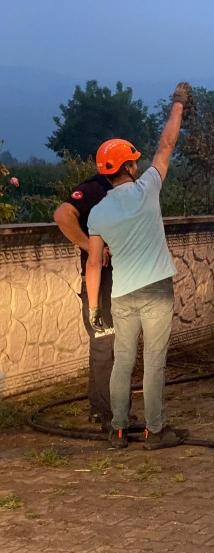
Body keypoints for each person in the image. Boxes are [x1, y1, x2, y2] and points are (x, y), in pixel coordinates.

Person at [86, 82, 191, 450]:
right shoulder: (147, 188)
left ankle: (117, 430)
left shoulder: (97, 213)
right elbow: (166, 146)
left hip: (122, 295)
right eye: (133, 160)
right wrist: (178, 104)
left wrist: (93, 307)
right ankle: (156, 430)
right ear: (130, 166)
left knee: (122, 363)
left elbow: (95, 264)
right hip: (156, 292)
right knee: (154, 364)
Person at [53, 157, 116, 426]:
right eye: (132, 164)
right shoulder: (93, 189)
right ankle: (104, 411)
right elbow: (62, 214)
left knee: (110, 345)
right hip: (97, 283)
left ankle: (105, 406)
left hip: (116, 281)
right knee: (104, 342)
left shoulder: (121, 190)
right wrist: (88, 246)